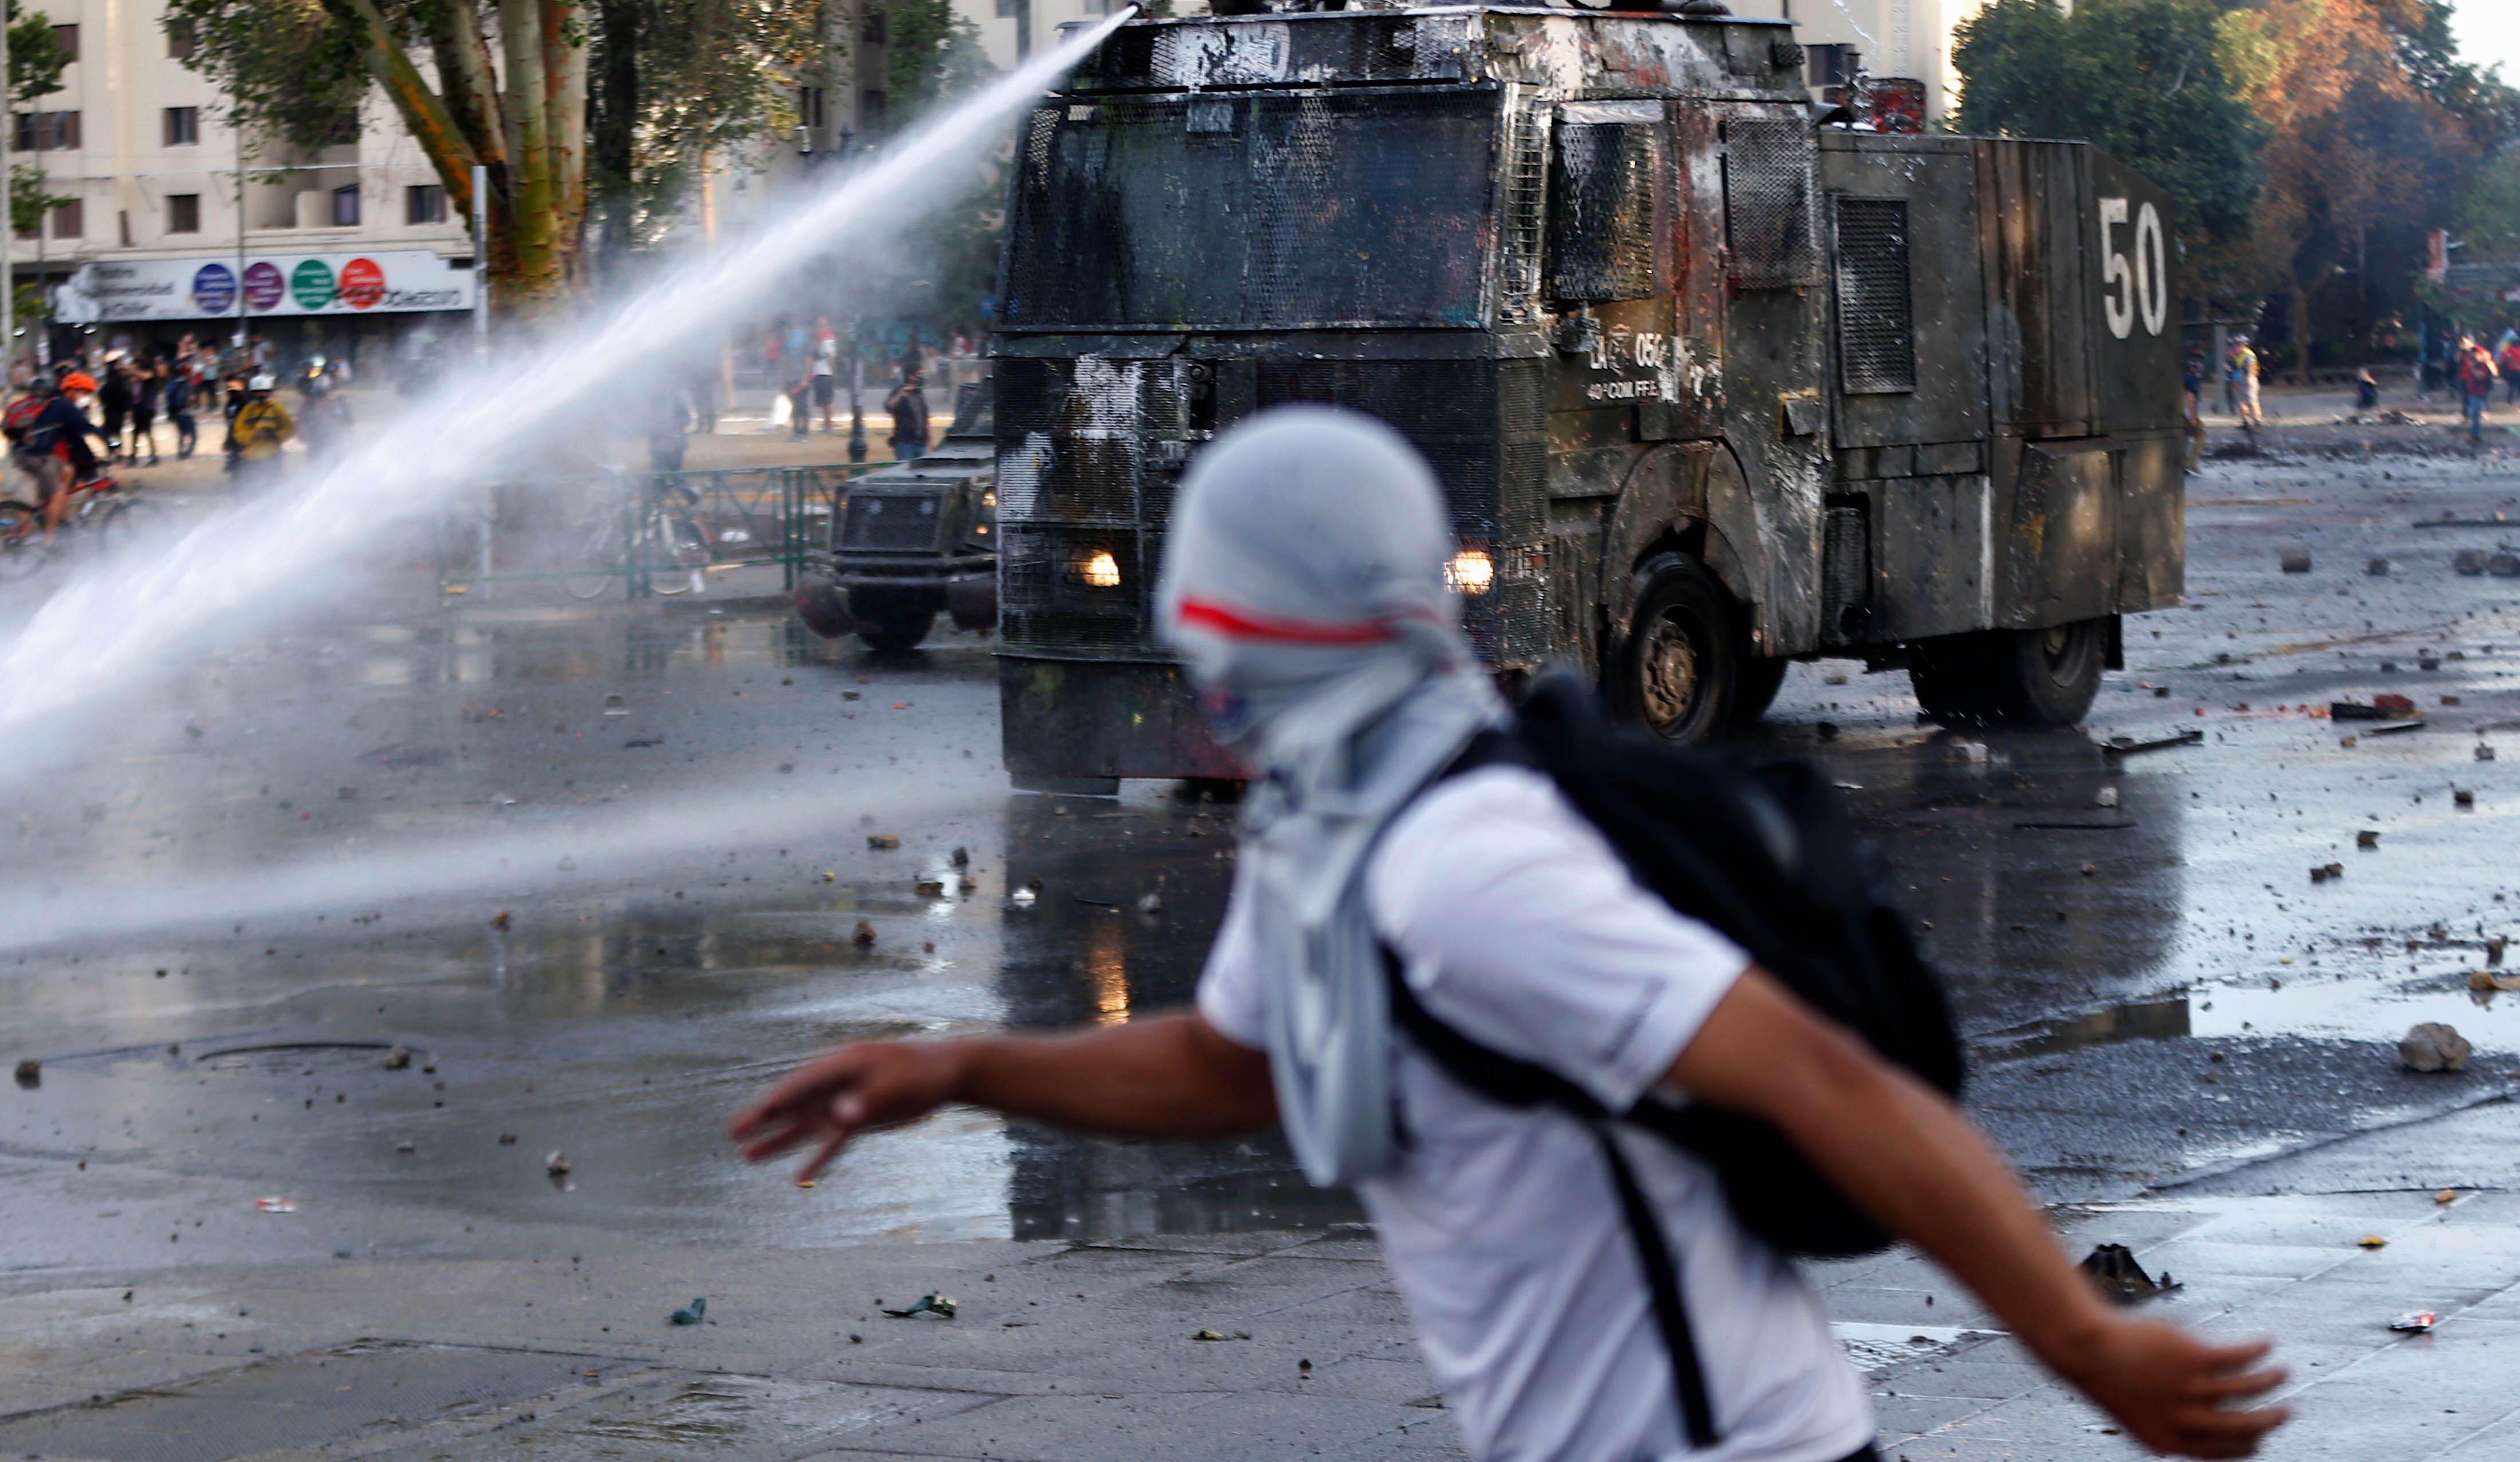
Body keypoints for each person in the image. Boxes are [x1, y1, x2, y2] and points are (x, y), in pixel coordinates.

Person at [734, 409, 2291, 1462]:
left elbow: (1833, 1085)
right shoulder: (1327, 836)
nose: (1198, 673)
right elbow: (1239, 1063)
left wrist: (2082, 1344)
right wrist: (957, 1070)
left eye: (1214, 631)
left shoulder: (1466, 861)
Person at [14, 375, 108, 536]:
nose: (86, 398)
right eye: (84, 392)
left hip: (26, 457)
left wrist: (90, 458)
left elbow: (76, 438)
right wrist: (109, 444)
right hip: (47, 460)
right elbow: (85, 429)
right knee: (63, 483)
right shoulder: (64, 406)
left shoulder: (49, 405)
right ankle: (50, 540)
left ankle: (33, 534)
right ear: (70, 391)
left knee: (30, 501)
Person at [225, 374, 297, 481]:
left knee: (273, 485)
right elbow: (238, 432)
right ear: (253, 393)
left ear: (269, 392)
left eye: (264, 391)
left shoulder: (276, 408)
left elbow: (289, 429)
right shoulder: (248, 410)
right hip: (252, 458)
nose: (261, 394)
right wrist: (254, 435)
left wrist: (275, 435)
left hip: (272, 456)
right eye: (258, 392)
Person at [886, 367, 930, 463]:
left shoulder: (919, 394)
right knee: (905, 471)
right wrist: (900, 395)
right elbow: (888, 407)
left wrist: (929, 439)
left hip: (921, 443)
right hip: (905, 443)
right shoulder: (899, 391)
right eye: (918, 375)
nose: (920, 378)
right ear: (910, 376)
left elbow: (925, 419)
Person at [97, 358, 135, 460]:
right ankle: (118, 451)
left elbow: (102, 395)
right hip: (119, 411)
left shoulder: (111, 382)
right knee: (116, 433)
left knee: (111, 433)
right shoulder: (123, 382)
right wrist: (127, 409)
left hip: (111, 411)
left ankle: (115, 451)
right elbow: (128, 397)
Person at [127, 357, 162, 466]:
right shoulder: (134, 379)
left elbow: (144, 376)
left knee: (147, 431)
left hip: (147, 407)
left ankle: (153, 456)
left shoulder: (150, 374)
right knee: (136, 432)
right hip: (138, 407)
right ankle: (134, 456)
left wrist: (130, 370)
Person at [2460, 337, 2496, 443]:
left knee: (2475, 415)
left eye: (2475, 353)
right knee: (2474, 415)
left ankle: (2475, 435)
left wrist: (2472, 369)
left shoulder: (2482, 365)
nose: (2472, 355)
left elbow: (2481, 376)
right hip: (2473, 392)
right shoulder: (2475, 364)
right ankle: (2474, 435)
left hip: (2478, 393)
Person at [165, 358, 198, 459]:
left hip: (175, 414)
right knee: (193, 436)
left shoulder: (172, 384)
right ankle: (187, 453)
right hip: (185, 413)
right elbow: (184, 401)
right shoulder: (187, 385)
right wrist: (190, 402)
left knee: (182, 434)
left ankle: (180, 453)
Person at [810, 314, 838, 432]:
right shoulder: (821, 339)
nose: (819, 328)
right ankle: (826, 424)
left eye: (820, 326)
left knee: (827, 401)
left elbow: (830, 356)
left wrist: (833, 370)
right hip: (820, 372)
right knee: (824, 401)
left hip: (825, 373)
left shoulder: (827, 339)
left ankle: (829, 425)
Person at [2228, 336, 2262, 429]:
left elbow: (2251, 368)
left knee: (2252, 400)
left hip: (2249, 379)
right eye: (2235, 345)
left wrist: (2250, 380)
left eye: (2238, 345)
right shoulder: (2239, 355)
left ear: (2243, 345)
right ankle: (2246, 421)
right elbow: (2238, 368)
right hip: (2242, 380)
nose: (2235, 347)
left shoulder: (2248, 355)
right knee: (2241, 401)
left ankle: (2258, 421)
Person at [2180, 350, 2204, 472]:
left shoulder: (2183, 377)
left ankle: (2183, 462)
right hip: (2188, 413)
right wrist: (2193, 417)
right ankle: (2191, 463)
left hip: (2180, 413)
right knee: (2201, 435)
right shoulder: (2191, 380)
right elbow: (2190, 399)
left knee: (2184, 437)